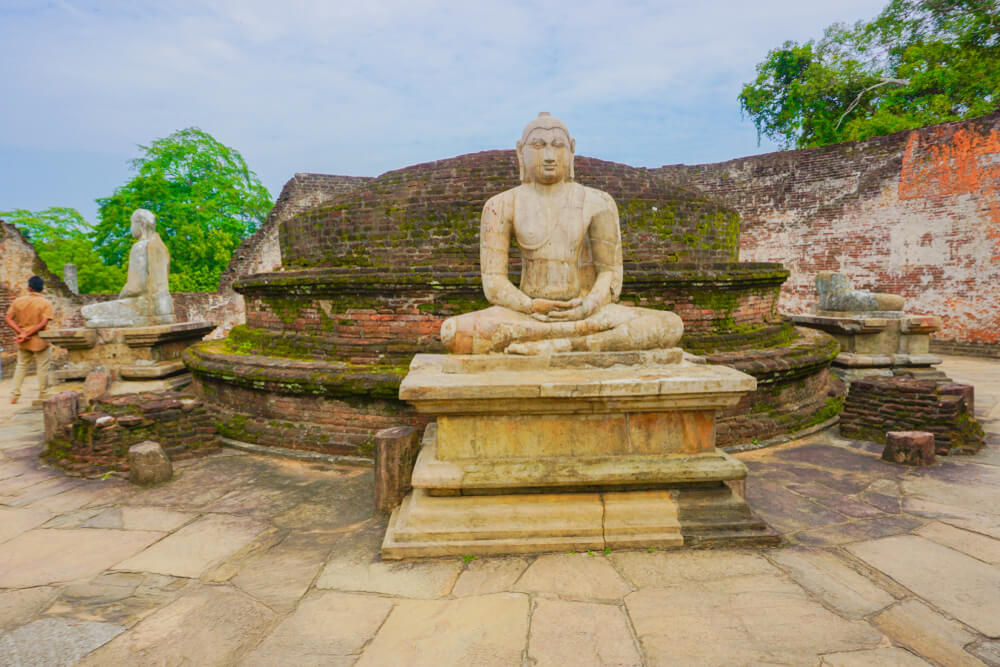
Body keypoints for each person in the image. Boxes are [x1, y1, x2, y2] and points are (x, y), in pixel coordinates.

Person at [441, 113, 683, 355]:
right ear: (520, 152)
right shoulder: (501, 205)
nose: (549, 156)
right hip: (526, 316)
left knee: (670, 325)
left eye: (558, 146)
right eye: (538, 145)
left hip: (586, 312)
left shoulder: (598, 202)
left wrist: (586, 306)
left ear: (572, 150)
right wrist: (531, 305)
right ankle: (571, 342)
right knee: (453, 332)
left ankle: (564, 345)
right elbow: (493, 283)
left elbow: (610, 274)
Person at [81, 208, 174, 328]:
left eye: (132, 223)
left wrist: (121, 295)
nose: (131, 228)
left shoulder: (140, 247)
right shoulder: (161, 247)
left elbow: (135, 288)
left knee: (88, 311)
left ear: (140, 225)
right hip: (164, 306)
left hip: (145, 306)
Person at [5, 275, 53, 403]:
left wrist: (22, 333)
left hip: (23, 340)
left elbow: (8, 318)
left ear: (29, 287)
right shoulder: (45, 303)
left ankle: (14, 395)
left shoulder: (18, 301)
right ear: (42, 289)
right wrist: (27, 334)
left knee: (21, 366)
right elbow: (43, 323)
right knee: (42, 367)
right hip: (40, 340)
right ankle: (43, 394)